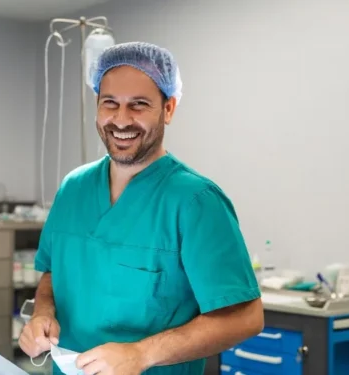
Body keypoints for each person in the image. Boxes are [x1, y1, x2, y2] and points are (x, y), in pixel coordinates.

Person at [19, 41, 264, 375]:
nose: (121, 119)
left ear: (168, 109)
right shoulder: (73, 188)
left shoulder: (196, 202)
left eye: (139, 105)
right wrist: (42, 314)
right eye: (110, 103)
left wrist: (142, 354)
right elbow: (53, 274)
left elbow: (246, 317)